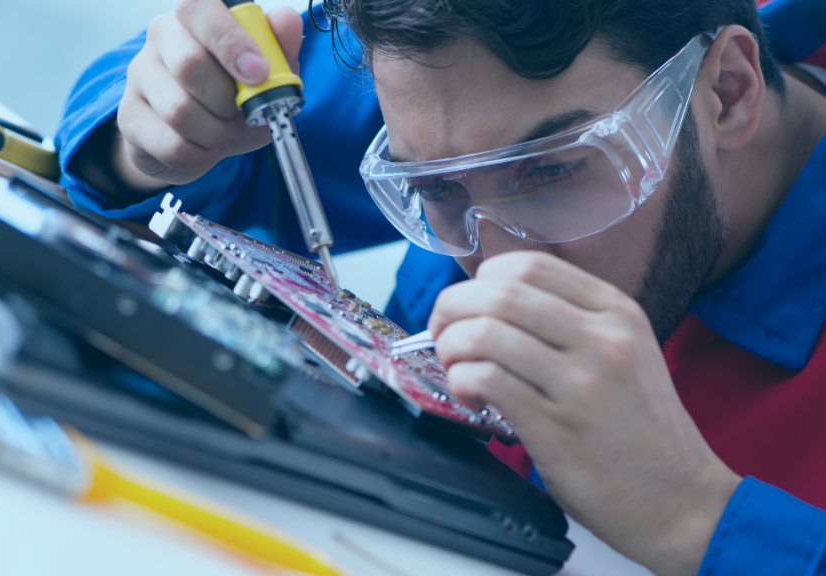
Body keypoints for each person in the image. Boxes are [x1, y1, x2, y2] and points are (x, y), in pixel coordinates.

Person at [56, 0, 826, 573]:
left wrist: (696, 516)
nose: (491, 255)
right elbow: (160, 111)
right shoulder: (456, 72)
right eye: (435, 190)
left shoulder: (622, 61)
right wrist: (152, 135)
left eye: (551, 170)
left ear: (727, 90)